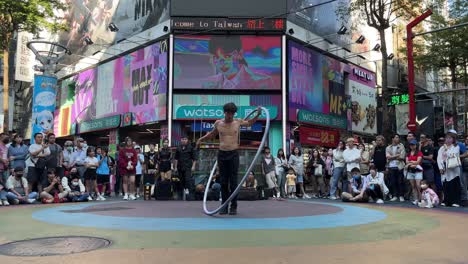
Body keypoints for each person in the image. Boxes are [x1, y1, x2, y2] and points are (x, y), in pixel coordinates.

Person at [196, 102, 261, 215]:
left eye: (232, 113)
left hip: (233, 154)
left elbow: (250, 123)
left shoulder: (238, 122)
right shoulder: (218, 123)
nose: (230, 115)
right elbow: (212, 134)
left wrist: (258, 114)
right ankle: (224, 206)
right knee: (224, 182)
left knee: (233, 181)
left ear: (234, 113)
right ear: (224, 112)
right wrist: (200, 139)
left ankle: (233, 206)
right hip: (222, 154)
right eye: (228, 113)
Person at [202, 36, 277, 89]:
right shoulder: (208, 83)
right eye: (216, 58)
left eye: (227, 56)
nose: (222, 63)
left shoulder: (263, 81)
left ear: (240, 54)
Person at [437, 130, 462, 207]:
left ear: (453, 139)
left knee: (454, 185)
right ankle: (446, 200)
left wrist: (446, 149)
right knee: (445, 185)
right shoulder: (441, 148)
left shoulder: (456, 147)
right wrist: (440, 167)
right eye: (447, 138)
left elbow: (452, 155)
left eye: (450, 138)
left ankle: (456, 201)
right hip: (445, 169)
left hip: (453, 170)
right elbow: (439, 158)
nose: (448, 139)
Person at [174, 136, 197, 201]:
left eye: (185, 139)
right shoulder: (178, 148)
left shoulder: (191, 148)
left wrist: (193, 166)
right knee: (181, 180)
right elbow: (176, 159)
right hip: (180, 167)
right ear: (181, 140)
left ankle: (188, 191)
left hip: (188, 167)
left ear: (187, 140)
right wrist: (175, 167)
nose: (184, 140)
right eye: (182, 139)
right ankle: (182, 191)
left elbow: (194, 158)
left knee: (188, 179)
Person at [386, 134, 406, 202]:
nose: (398, 138)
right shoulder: (388, 147)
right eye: (396, 137)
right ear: (392, 139)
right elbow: (387, 157)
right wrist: (397, 155)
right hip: (391, 166)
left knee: (400, 181)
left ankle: (401, 195)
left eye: (398, 137)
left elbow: (402, 157)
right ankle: (395, 195)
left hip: (399, 166)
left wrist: (392, 157)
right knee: (393, 182)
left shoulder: (401, 146)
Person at [406, 139, 423, 205]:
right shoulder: (408, 153)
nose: (412, 146)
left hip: (418, 171)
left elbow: (418, 162)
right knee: (413, 186)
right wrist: (413, 162)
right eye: (411, 145)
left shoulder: (419, 153)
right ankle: (416, 199)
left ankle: (421, 199)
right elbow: (406, 161)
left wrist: (411, 162)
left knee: (418, 185)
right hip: (410, 171)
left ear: (416, 145)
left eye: (413, 145)